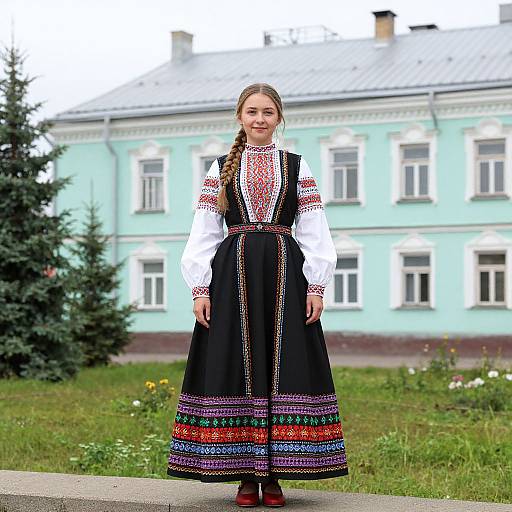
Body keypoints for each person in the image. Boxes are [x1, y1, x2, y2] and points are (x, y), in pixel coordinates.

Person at [167, 83, 349, 508]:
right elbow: (204, 232)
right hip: (233, 277)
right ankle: (246, 478)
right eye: (252, 112)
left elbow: (314, 228)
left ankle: (276, 479)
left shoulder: (297, 167)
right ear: (240, 117)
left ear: (278, 118)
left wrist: (317, 284)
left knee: (284, 366)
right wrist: (200, 288)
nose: (260, 119)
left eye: (268, 112)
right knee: (238, 364)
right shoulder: (221, 170)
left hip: (286, 276)